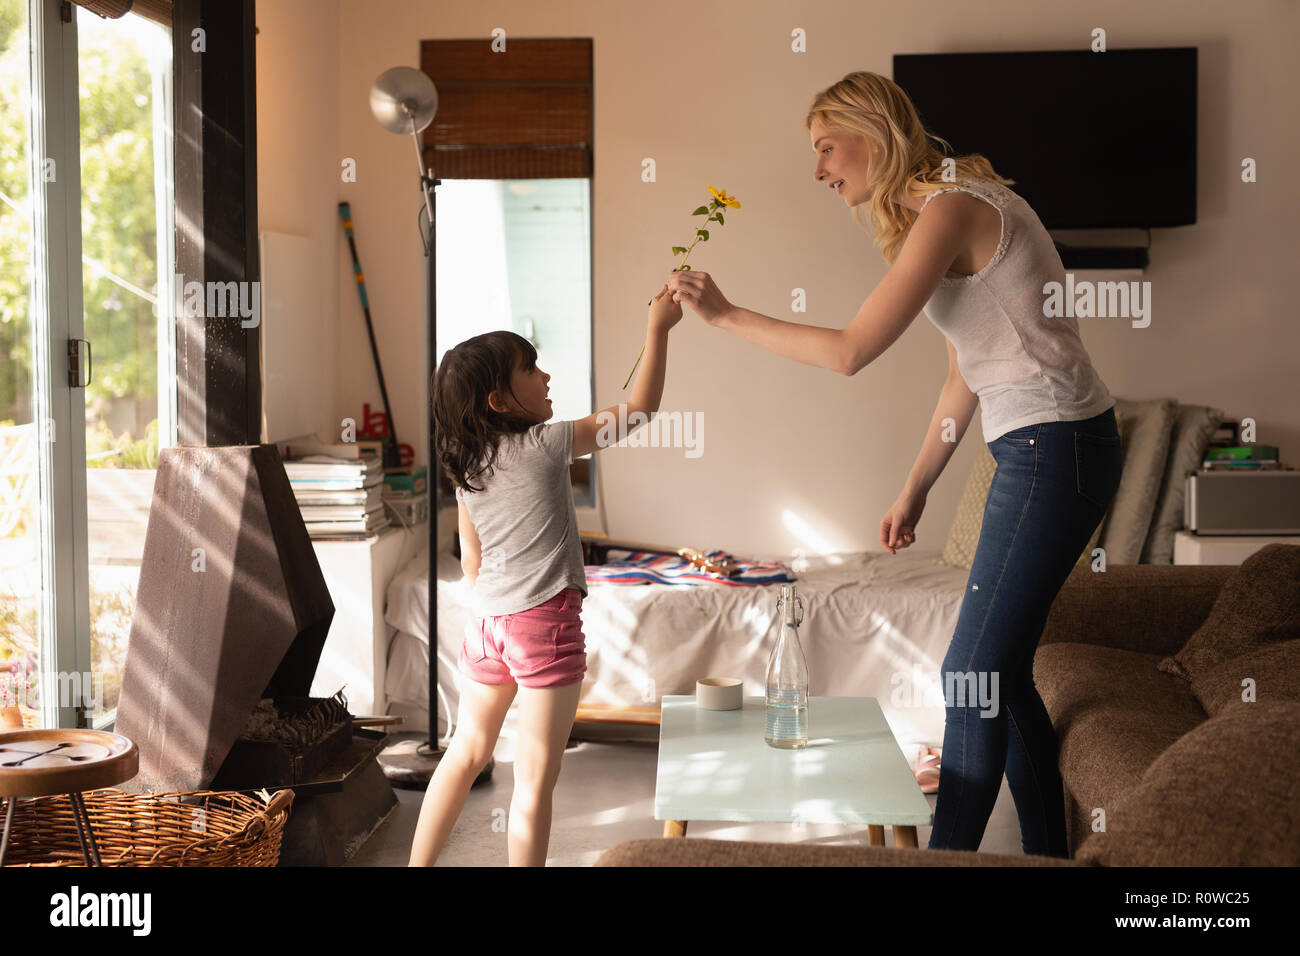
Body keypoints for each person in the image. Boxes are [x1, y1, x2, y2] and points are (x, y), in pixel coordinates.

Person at [666, 71, 1123, 857]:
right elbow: (962, 373)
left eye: (825, 148)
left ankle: (945, 861)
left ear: (871, 133)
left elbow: (849, 354)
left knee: (969, 676)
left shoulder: (954, 204)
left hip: (1056, 447)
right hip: (1047, 447)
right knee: (1000, 677)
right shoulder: (947, 205)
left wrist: (725, 314)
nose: (819, 172)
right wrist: (915, 486)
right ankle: (1049, 854)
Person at [410, 285, 683, 866]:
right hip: (543, 626)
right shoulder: (546, 443)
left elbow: (470, 553)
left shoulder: (467, 460)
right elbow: (640, 413)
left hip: (486, 626)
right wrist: (657, 331)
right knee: (533, 783)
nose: (546, 375)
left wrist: (491, 608)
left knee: (464, 755)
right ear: (500, 401)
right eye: (529, 368)